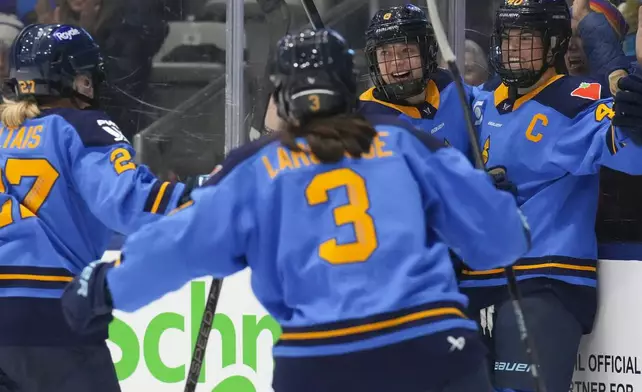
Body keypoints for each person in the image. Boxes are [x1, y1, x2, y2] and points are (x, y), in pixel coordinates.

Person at [61, 28, 532, 392]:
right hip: (430, 344)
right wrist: (507, 214)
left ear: (282, 95)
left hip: (319, 360)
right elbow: (501, 242)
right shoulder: (406, 144)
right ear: (350, 87)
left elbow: (180, 244)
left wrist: (106, 287)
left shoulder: (253, 168)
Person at [0, 24, 193, 392]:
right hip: (49, 316)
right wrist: (200, 200)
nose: (90, 87)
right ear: (68, 80)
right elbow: (128, 200)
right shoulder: (82, 127)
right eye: (86, 78)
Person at [462, 0, 642, 391]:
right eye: (507, 37)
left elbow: (628, 151)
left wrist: (637, 124)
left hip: (544, 277)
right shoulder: (476, 103)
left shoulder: (576, 98)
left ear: (554, 43)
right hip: (472, 284)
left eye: (526, 38)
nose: (513, 48)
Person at [358, 4, 472, 156]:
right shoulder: (364, 118)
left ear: (426, 54)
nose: (396, 62)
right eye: (385, 54)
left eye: (406, 51)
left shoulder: (449, 85)